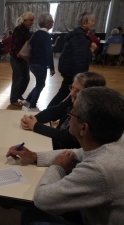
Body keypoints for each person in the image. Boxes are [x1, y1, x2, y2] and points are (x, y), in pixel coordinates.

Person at [7, 87, 124, 225]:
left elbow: (42, 199)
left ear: (84, 128)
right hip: (95, 212)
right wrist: (34, 156)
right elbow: (76, 153)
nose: (69, 115)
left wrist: (58, 167)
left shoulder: (101, 168)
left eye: (73, 112)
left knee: (31, 214)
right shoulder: (114, 140)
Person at [21, 72, 106, 150]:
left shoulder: (92, 114)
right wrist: (34, 119)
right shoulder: (75, 98)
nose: (72, 93)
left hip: (68, 150)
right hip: (58, 141)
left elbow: (70, 138)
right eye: (72, 87)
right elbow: (56, 111)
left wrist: (36, 126)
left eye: (78, 91)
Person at [47, 12, 97, 108]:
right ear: (84, 23)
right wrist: (91, 50)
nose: (93, 23)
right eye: (92, 21)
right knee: (68, 94)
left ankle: (52, 111)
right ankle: (50, 112)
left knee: (68, 94)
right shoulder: (80, 37)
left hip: (71, 71)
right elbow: (80, 59)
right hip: (73, 72)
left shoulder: (79, 35)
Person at [21, 13, 55, 112]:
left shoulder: (35, 34)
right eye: (51, 21)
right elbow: (48, 53)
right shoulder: (46, 36)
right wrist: (52, 67)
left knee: (39, 84)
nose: (53, 23)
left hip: (32, 64)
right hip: (41, 64)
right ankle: (32, 106)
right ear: (46, 24)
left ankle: (27, 101)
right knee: (40, 85)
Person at [9, 12, 35, 107]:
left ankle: (18, 94)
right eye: (31, 20)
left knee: (26, 78)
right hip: (17, 59)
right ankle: (13, 99)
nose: (32, 22)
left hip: (23, 59)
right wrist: (18, 54)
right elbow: (15, 45)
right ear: (25, 20)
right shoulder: (18, 29)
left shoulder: (27, 30)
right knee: (17, 80)